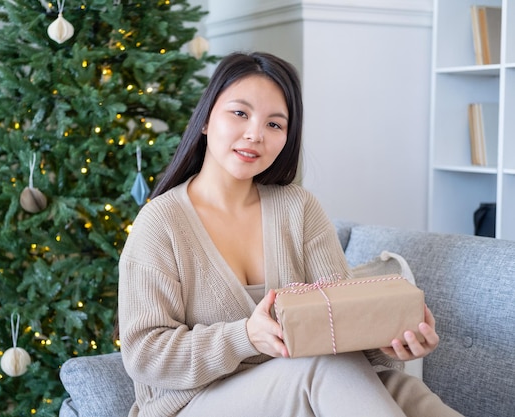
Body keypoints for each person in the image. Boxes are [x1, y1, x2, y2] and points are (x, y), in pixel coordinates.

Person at [117, 52, 462, 417]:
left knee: (401, 388)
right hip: (190, 404)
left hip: (296, 388)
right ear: (205, 120)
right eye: (239, 113)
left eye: (275, 124)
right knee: (322, 368)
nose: (254, 134)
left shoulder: (299, 210)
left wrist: (389, 343)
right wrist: (244, 336)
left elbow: (342, 321)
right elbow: (144, 354)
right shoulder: (160, 223)